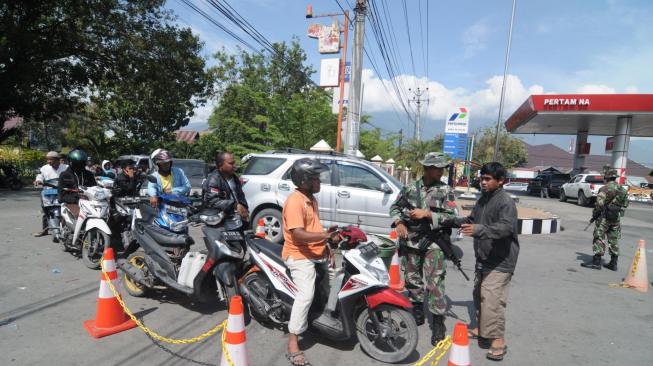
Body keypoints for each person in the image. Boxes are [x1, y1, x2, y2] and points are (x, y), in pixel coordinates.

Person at [445, 162, 519, 362]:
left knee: (492, 300)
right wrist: (447, 220)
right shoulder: (483, 199)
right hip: (484, 258)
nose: (483, 182)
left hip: (501, 260)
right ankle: (481, 329)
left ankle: (498, 342)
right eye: (482, 178)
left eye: (488, 179)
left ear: (500, 181)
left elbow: (505, 228)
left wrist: (479, 230)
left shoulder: (505, 202)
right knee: (478, 295)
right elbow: (471, 220)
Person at [389, 152, 456, 346]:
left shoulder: (446, 191)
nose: (442, 171)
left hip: (434, 243)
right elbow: (394, 207)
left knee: (435, 282)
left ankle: (437, 322)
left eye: (443, 167)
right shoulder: (410, 188)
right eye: (439, 168)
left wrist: (427, 214)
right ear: (428, 169)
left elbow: (454, 217)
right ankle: (417, 310)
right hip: (411, 241)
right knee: (412, 278)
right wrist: (399, 222)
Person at [282, 158, 340, 366]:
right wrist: (325, 237)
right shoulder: (295, 201)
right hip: (298, 255)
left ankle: (320, 322)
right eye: (316, 178)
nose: (320, 182)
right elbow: (298, 234)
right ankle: (292, 343)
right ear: (305, 180)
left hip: (314, 252)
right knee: (306, 294)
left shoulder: (310, 199)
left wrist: (327, 246)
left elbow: (313, 229)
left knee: (334, 283)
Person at [581, 168, 629, 271]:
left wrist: (594, 216)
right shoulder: (623, 190)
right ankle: (613, 264)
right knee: (614, 239)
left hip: (603, 219)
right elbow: (625, 204)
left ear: (606, 177)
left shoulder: (604, 189)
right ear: (615, 177)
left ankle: (597, 263)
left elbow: (599, 205)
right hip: (616, 218)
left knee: (599, 237)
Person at [203, 152, 249, 225]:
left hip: (235, 220)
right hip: (219, 221)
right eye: (231, 163)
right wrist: (234, 205)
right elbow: (213, 201)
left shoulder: (234, 178)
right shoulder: (213, 180)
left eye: (234, 163)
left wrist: (244, 208)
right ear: (220, 165)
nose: (234, 166)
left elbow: (240, 196)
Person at [33, 151, 68, 237]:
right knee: (46, 210)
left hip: (62, 191)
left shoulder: (66, 167)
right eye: (48, 159)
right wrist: (38, 180)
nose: (49, 161)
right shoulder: (44, 168)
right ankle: (45, 229)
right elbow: (40, 176)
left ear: (57, 160)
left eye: (51, 159)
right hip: (48, 192)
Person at [58, 149, 97, 218]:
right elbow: (62, 196)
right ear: (71, 162)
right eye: (78, 163)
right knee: (77, 217)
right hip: (72, 203)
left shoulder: (89, 174)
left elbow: (95, 189)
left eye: (82, 163)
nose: (80, 166)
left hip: (89, 203)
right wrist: (77, 199)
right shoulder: (64, 175)